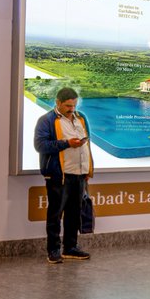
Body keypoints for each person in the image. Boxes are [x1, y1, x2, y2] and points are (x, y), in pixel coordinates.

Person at [33, 87, 94, 263]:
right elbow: (40, 145)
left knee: (74, 214)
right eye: (68, 106)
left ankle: (70, 248)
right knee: (55, 214)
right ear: (58, 102)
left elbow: (87, 145)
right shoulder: (46, 120)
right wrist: (66, 143)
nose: (71, 109)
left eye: (74, 105)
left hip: (79, 174)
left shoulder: (81, 118)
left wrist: (89, 169)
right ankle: (53, 250)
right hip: (59, 175)